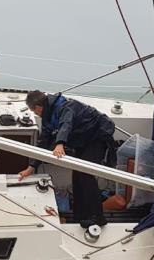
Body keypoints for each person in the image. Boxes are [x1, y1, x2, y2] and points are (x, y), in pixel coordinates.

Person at [18, 90, 115, 228]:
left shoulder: (65, 106)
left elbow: (66, 124)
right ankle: (80, 215)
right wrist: (31, 167)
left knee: (85, 173)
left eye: (34, 111)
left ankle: (98, 217)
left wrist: (60, 143)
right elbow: (43, 142)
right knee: (77, 174)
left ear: (38, 108)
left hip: (97, 136)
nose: (35, 114)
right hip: (83, 140)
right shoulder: (48, 118)